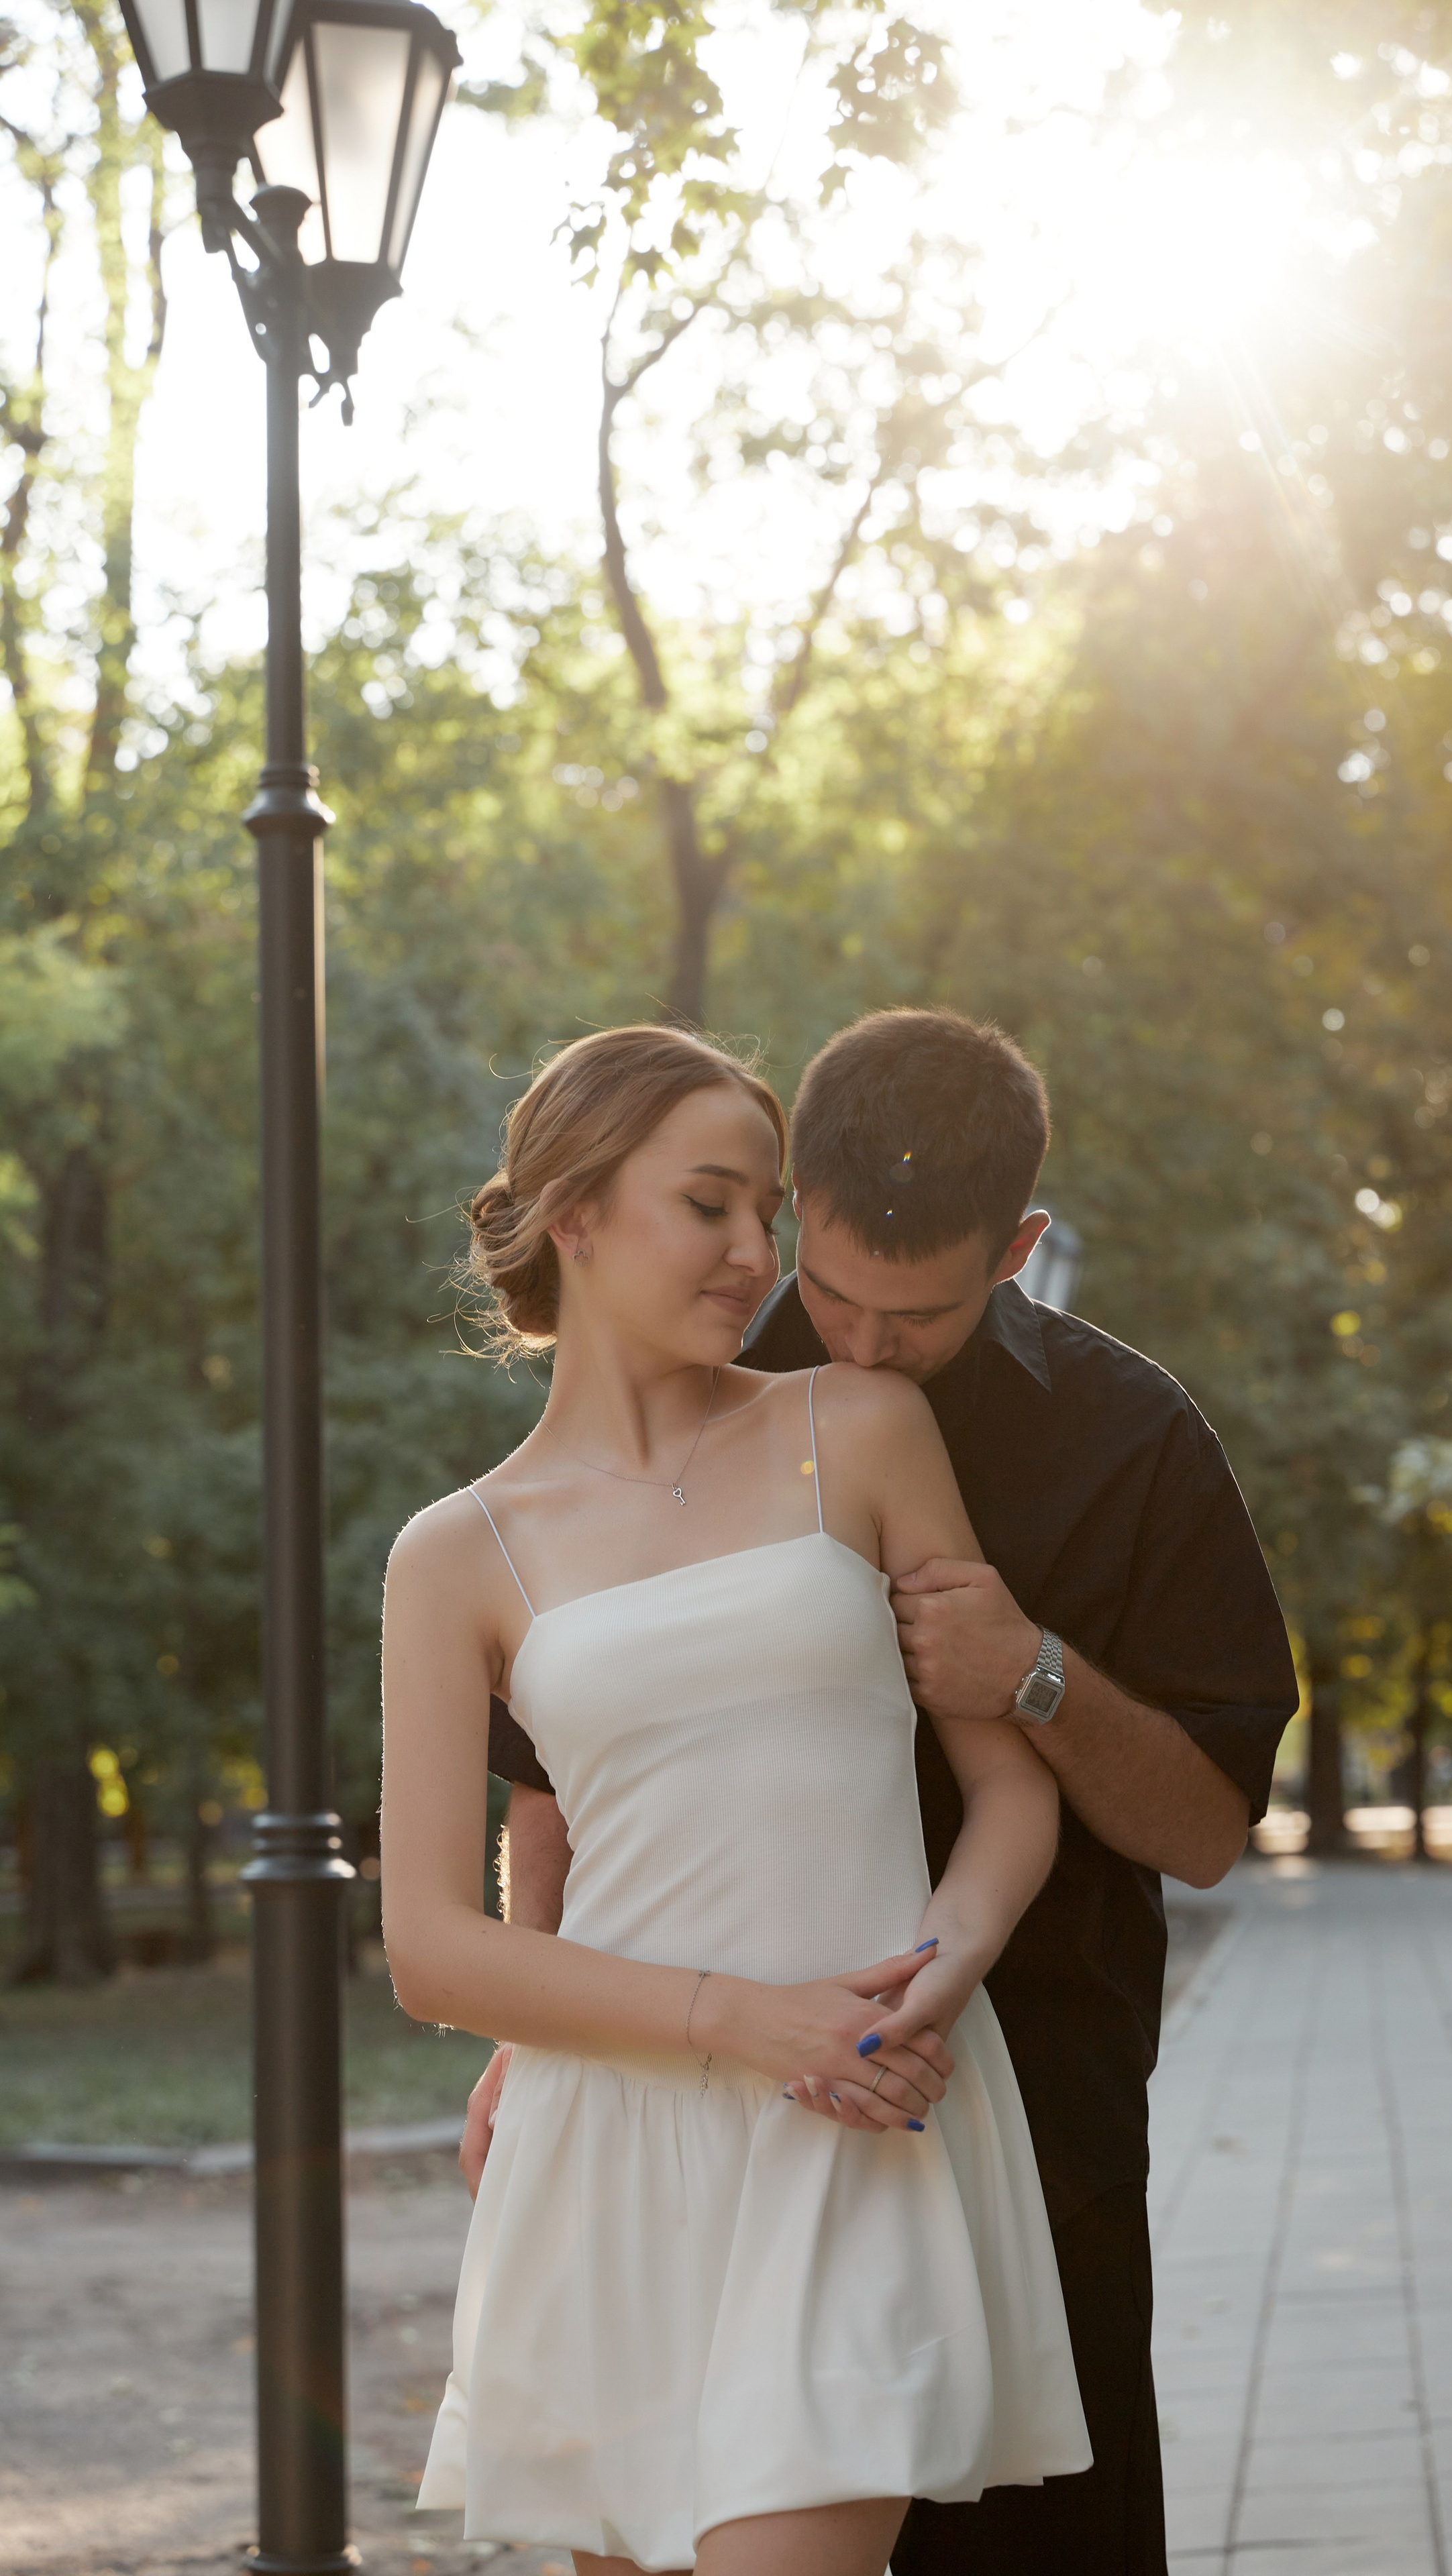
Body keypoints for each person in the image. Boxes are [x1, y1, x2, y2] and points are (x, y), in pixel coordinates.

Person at [478, 1008, 1300, 2576]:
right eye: (835, 1289)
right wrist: (535, 2037)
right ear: (794, 1207)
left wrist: (1032, 1673)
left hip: (1036, 2103)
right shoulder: (681, 1373)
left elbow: (1202, 1832)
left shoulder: (1132, 1439)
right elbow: (549, 1781)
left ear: (1019, 1250)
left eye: (914, 1316)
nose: (858, 1346)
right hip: (697, 2106)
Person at [384, 1022, 1090, 2576]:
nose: (754, 1254)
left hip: (852, 2116)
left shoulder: (859, 1429)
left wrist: (934, 1981)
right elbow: (430, 1950)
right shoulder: (453, 1554)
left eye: (762, 1212)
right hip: (605, 2144)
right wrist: (736, 2022)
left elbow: (1006, 1790)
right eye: (707, 1206)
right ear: (574, 1213)